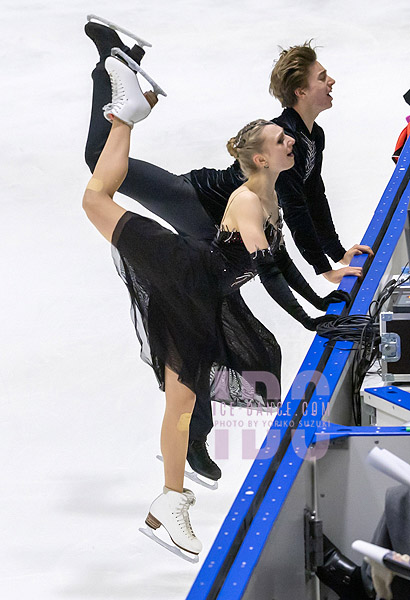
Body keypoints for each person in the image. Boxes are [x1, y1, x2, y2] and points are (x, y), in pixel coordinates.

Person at [82, 55, 346, 555]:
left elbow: (283, 263)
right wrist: (312, 318)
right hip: (184, 273)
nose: (291, 139)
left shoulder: (268, 195)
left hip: (203, 295)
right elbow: (268, 274)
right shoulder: (248, 202)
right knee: (95, 199)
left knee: (182, 400)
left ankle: (170, 500)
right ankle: (124, 116)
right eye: (281, 140)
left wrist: (320, 301)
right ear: (263, 159)